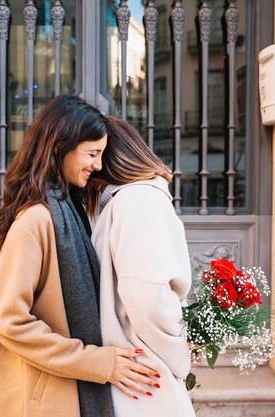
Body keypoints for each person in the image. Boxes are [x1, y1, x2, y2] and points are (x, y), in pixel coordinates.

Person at [0, 96, 160, 417]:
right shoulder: (36, 219)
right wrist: (96, 362)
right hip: (42, 397)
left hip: (63, 389)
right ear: (59, 146)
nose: (98, 165)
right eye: (92, 154)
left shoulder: (71, 210)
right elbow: (9, 322)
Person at [91, 116, 195, 417]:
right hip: (145, 373)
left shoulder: (135, 200)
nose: (93, 170)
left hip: (138, 370)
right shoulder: (141, 200)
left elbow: (142, 291)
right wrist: (179, 355)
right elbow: (146, 295)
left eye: (98, 157)